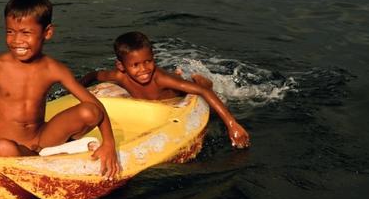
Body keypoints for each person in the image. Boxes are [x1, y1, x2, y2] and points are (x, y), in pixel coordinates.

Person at [0, 0, 119, 182]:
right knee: (2, 147)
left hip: (42, 139)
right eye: (10, 32)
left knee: (89, 111)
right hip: (10, 148)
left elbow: (95, 105)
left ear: (47, 32)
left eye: (26, 33)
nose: (17, 40)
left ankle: (48, 153)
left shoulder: (53, 69)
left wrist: (109, 143)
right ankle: (53, 155)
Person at [81, 31, 250, 149]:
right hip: (156, 104)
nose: (144, 69)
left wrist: (232, 124)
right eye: (135, 65)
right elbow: (95, 75)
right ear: (121, 66)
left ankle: (201, 80)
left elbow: (203, 92)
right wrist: (78, 86)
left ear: (153, 58)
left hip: (177, 96)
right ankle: (186, 77)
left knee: (201, 91)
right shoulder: (120, 76)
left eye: (148, 61)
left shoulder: (159, 79)